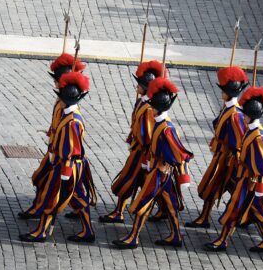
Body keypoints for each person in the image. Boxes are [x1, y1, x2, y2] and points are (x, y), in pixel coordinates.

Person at [112, 76, 194, 250]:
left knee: (143, 202)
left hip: (159, 172)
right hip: (158, 170)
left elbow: (180, 153)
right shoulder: (160, 123)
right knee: (170, 204)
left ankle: (134, 237)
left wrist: (183, 175)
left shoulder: (166, 128)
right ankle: (176, 235)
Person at [19, 71, 97, 243]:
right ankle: (88, 230)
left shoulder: (72, 121)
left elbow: (72, 147)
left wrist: (65, 170)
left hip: (67, 166)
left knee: (51, 196)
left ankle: (41, 231)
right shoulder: (69, 115)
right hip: (66, 164)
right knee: (77, 197)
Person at [204, 86, 263, 253]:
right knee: (250, 211)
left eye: (245, 115)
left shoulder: (258, 136)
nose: (242, 117)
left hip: (251, 182)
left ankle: (224, 240)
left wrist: (258, 188)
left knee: (236, 208)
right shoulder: (253, 131)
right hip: (245, 178)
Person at [20, 52, 86, 221]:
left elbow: (71, 145)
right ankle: (37, 208)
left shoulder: (73, 119)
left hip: (64, 159)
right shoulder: (62, 105)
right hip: (54, 152)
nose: (55, 83)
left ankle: (45, 222)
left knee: (60, 192)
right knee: (41, 180)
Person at [100, 60, 164, 224]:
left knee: (128, 181)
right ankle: (120, 210)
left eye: (140, 85)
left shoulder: (149, 108)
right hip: (136, 149)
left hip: (142, 153)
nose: (137, 87)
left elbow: (148, 135)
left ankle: (163, 210)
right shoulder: (142, 102)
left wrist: (144, 156)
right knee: (134, 182)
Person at [188, 66, 248, 228]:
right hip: (221, 154)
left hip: (227, 158)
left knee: (213, 186)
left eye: (223, 90)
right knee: (219, 187)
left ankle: (205, 217)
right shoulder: (227, 108)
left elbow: (237, 140)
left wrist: (232, 158)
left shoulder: (235, 114)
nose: (221, 93)